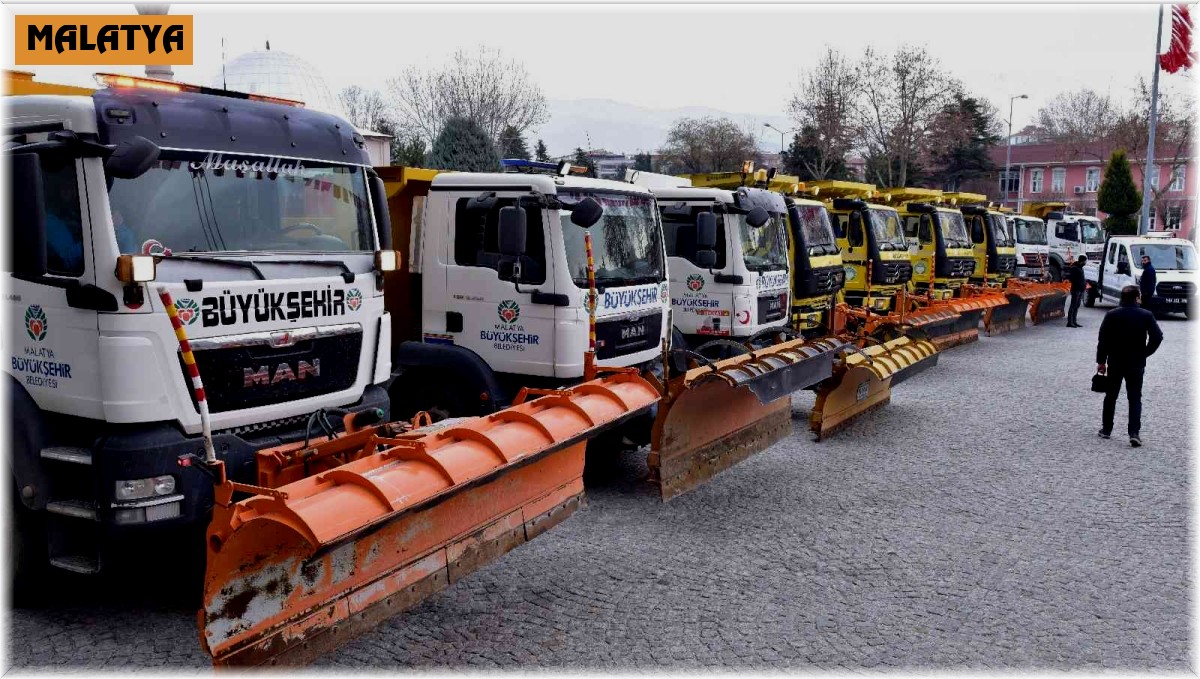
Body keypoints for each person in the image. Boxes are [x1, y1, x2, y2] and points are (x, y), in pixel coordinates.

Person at [1096, 285, 1163, 447]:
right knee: (1134, 398)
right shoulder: (1146, 315)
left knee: (1111, 396)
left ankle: (1106, 429)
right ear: (1137, 298)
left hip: (1115, 361)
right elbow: (1157, 337)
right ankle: (1134, 433)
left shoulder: (1111, 315)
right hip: (1136, 362)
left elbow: (1103, 339)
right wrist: (1145, 353)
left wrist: (1101, 361)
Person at [1065, 254, 1087, 327]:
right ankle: (1070, 322)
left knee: (1077, 305)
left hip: (1080, 289)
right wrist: (1078, 284)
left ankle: (1074, 321)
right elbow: (1072, 279)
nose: (1085, 262)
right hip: (1076, 289)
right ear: (1082, 261)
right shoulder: (1075, 268)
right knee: (1073, 305)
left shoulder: (1080, 268)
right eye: (1085, 261)